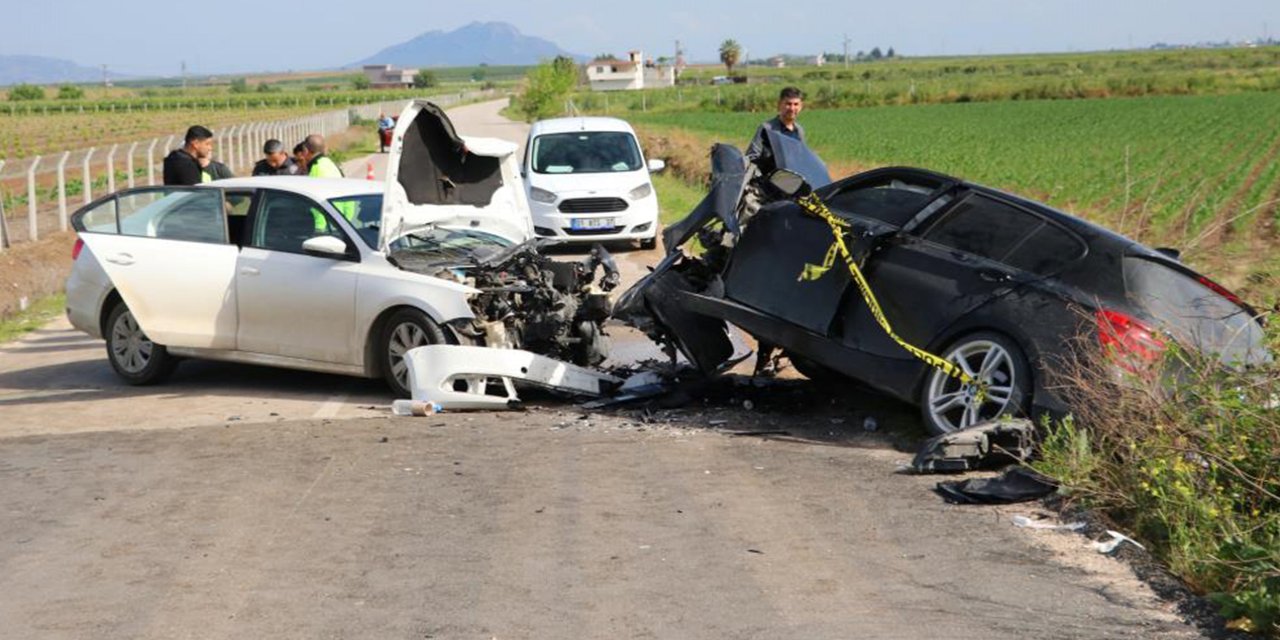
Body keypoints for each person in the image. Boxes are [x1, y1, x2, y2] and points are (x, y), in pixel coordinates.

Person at [745, 86, 805, 173]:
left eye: (796, 104)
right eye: (788, 104)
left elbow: (802, 159)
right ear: (779, 104)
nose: (792, 109)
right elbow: (751, 156)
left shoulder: (799, 131)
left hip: (791, 181)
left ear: (801, 106)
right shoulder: (766, 129)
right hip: (767, 181)